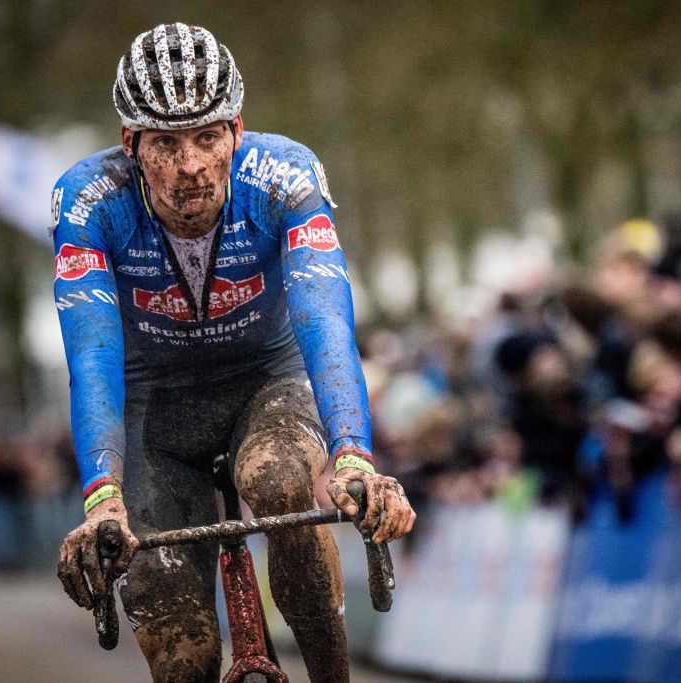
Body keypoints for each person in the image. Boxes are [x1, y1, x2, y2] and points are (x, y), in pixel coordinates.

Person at [52, 23, 415, 682]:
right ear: (130, 144)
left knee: (277, 481)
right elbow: (91, 355)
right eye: (166, 143)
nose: (190, 165)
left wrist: (354, 455)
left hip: (266, 385)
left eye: (208, 137)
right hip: (153, 414)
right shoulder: (88, 201)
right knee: (183, 659)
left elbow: (325, 324)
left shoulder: (285, 176)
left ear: (238, 131)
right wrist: (102, 500)